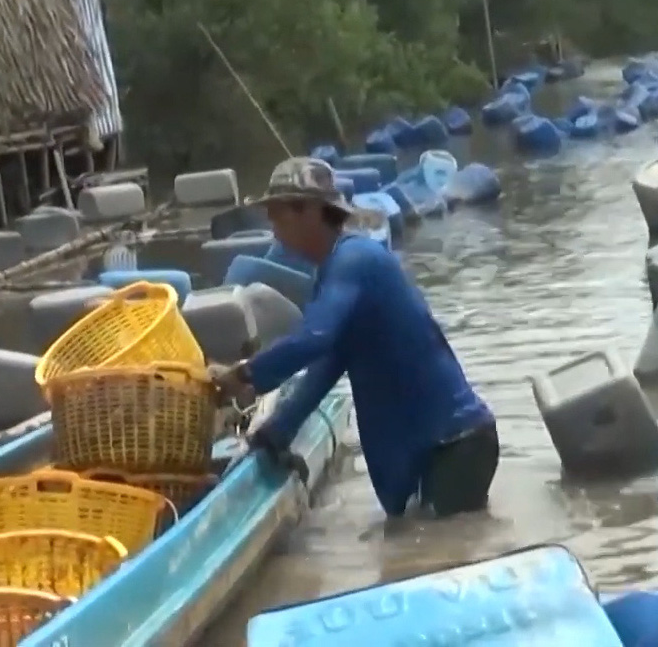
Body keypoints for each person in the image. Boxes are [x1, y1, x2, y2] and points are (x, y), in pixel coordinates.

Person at [210, 156, 498, 519]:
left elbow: (313, 338)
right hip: (443, 449)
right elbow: (325, 369)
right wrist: (276, 433)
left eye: (278, 213)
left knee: (445, 555)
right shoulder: (335, 274)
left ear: (312, 212)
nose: (272, 225)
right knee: (422, 542)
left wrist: (244, 375)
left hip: (454, 445)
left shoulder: (354, 260)